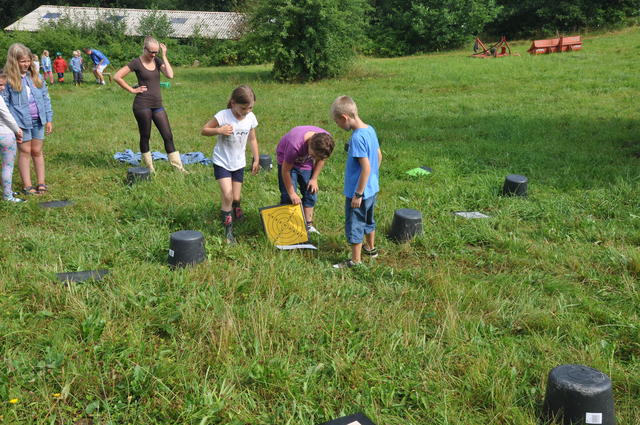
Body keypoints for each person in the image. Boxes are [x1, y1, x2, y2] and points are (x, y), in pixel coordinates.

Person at [113, 36, 187, 173]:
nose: (153, 54)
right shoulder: (136, 62)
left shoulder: (157, 61)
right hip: (142, 105)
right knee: (145, 136)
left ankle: (178, 168)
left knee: (168, 136)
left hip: (157, 105)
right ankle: (149, 168)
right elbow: (117, 76)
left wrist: (164, 55)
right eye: (151, 52)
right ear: (144, 49)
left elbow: (170, 75)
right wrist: (132, 89)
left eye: (156, 52)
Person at [201, 85, 260, 244]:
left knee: (236, 197)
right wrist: (219, 131)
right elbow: (204, 130)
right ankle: (228, 232)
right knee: (227, 195)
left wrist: (256, 158)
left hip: (239, 163)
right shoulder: (223, 115)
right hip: (222, 161)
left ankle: (236, 208)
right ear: (233, 103)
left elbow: (252, 139)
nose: (247, 111)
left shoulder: (250, 117)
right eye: (243, 108)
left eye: (250, 108)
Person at [331, 95, 382, 268]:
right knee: (369, 219)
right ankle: (371, 248)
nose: (338, 126)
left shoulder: (357, 138)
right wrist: (372, 181)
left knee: (355, 223)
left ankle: (355, 261)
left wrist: (358, 193)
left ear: (345, 118)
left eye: (338, 123)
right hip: (372, 188)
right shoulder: (370, 129)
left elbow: (365, 167)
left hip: (358, 192)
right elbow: (378, 155)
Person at [1, 43, 54, 196]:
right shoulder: (9, 80)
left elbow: (46, 98)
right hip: (20, 123)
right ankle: (27, 185)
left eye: (28, 60)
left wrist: (48, 119)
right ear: (14, 61)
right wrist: (13, 125)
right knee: (25, 152)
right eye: (22, 61)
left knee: (37, 151)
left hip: (38, 120)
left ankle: (41, 183)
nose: (26, 64)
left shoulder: (36, 77)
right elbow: (4, 104)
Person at [275, 126, 335, 234]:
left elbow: (321, 159)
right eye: (313, 156)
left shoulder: (326, 142)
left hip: (305, 162)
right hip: (286, 161)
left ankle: (308, 225)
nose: (315, 159)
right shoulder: (294, 145)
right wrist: (292, 193)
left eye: (317, 157)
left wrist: (314, 178)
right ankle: (287, 225)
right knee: (288, 195)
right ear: (309, 144)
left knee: (311, 192)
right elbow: (285, 171)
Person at [0, 68, 25, 203]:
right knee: (7, 166)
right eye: (0, 85)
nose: (3, 88)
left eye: (4, 84)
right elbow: (7, 116)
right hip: (5, 135)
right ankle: (8, 196)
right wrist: (17, 130)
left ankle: (7, 190)